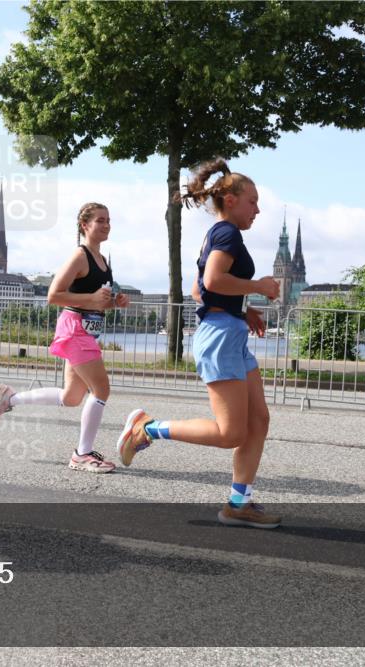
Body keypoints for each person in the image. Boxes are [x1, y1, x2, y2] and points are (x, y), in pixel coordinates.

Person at [116, 158, 282, 528]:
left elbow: (198, 290)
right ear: (232, 199)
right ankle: (148, 428)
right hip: (220, 338)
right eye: (253, 201)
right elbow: (212, 280)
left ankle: (239, 503)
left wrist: (243, 309)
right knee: (230, 433)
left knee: (258, 420)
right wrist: (258, 286)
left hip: (230, 332)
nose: (258, 209)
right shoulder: (227, 234)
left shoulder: (219, 235)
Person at [0, 202, 129, 473]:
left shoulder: (103, 260)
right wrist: (91, 298)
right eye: (100, 220)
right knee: (101, 390)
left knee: (72, 397)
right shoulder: (80, 256)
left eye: (109, 220)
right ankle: (82, 455)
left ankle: (10, 399)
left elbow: (96, 301)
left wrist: (114, 303)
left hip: (86, 329)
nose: (106, 224)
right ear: (85, 225)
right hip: (75, 329)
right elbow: (54, 295)